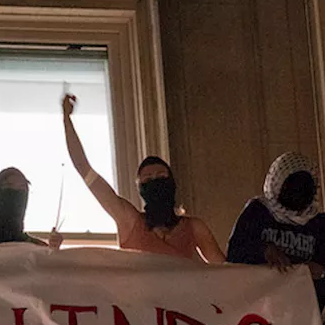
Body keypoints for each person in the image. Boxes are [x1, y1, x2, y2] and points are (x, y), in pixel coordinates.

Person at [61, 94, 224, 263]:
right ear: (140, 188)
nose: (155, 181)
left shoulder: (193, 228)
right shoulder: (130, 221)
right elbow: (85, 169)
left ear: (172, 182)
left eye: (161, 176)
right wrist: (67, 120)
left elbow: (225, 272)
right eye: (148, 178)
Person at [226, 152, 325, 305]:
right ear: (278, 184)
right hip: (259, 309)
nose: (299, 192)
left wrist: (318, 274)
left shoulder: (319, 223)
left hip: (302, 310)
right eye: (294, 185)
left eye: (306, 186)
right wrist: (264, 250)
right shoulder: (258, 212)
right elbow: (234, 254)